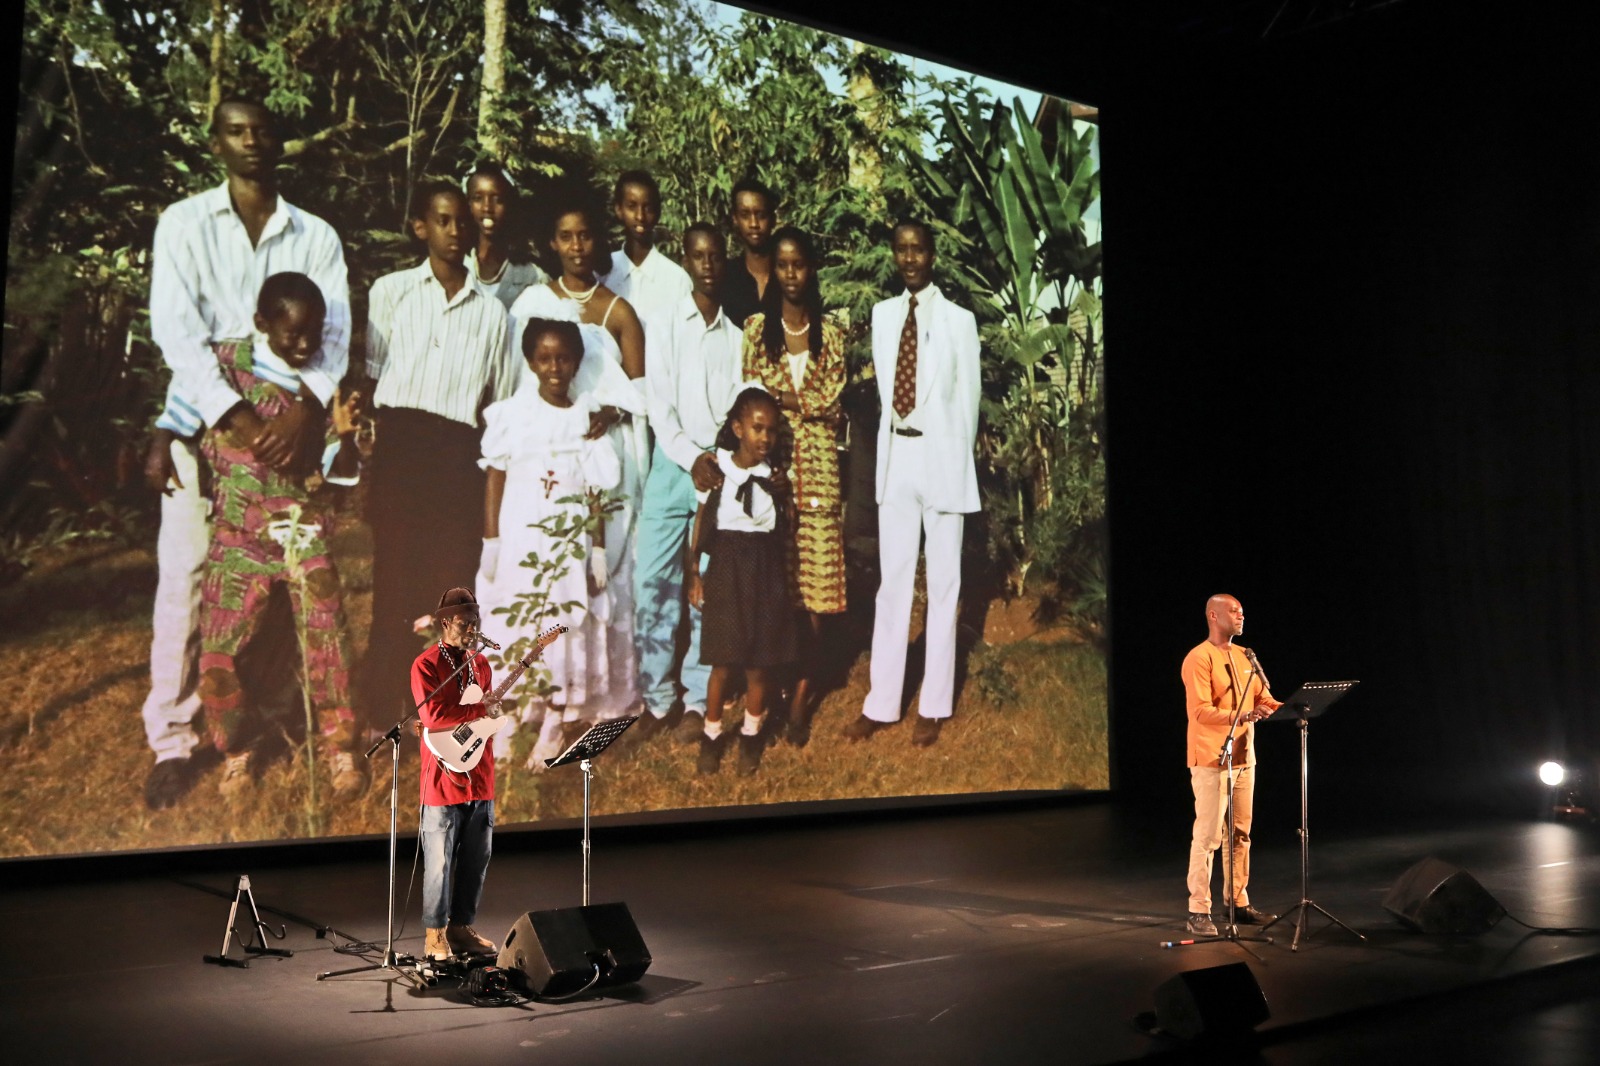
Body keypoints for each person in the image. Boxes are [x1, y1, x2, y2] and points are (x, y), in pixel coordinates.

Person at [142, 96, 350, 809]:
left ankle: (270, 718)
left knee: (292, 588)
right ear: (216, 142)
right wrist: (228, 414)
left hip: (291, 433)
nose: (251, 141)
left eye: (262, 129)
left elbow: (334, 332)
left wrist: (306, 410)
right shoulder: (184, 223)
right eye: (236, 130)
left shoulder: (314, 234)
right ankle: (174, 741)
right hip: (208, 419)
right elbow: (176, 331)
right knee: (188, 579)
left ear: (279, 140)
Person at [197, 273, 365, 797]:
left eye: (314, 332)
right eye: (293, 333)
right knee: (222, 648)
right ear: (261, 324)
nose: (305, 343)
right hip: (237, 533)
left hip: (300, 530)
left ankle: (341, 747)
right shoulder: (224, 366)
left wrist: (344, 438)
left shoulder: (321, 383)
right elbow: (184, 407)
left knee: (328, 632)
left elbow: (338, 475)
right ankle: (236, 750)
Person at [364, 182, 519, 722]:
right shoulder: (391, 292)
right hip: (401, 444)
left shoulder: (493, 313)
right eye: (443, 221)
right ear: (420, 227)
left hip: (457, 450)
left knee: (451, 576)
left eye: (462, 222)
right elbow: (373, 375)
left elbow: (499, 397)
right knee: (394, 575)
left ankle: (444, 700)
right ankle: (383, 702)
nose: (455, 232)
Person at [509, 200, 648, 720]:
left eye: (585, 235)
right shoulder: (531, 302)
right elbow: (518, 381)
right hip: (547, 455)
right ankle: (542, 693)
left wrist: (611, 412)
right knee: (547, 567)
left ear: (598, 241)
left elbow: (640, 395)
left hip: (603, 457)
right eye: (566, 236)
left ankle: (602, 694)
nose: (576, 246)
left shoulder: (620, 312)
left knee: (602, 573)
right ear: (553, 242)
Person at [850, 221, 981, 749]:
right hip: (897, 457)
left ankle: (933, 703)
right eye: (901, 250)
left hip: (941, 456)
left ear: (932, 255)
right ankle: (881, 701)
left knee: (944, 583)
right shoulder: (884, 316)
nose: (909, 259)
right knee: (893, 583)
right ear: (894, 254)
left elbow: (968, 404)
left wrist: (954, 461)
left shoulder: (959, 321)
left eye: (918, 250)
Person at [477, 318, 624, 766]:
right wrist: (492, 540)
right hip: (520, 539)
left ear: (576, 362)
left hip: (566, 544)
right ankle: (509, 715)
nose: (554, 368)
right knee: (514, 623)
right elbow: (495, 477)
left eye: (563, 358)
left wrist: (598, 550)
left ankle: (555, 721)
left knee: (561, 624)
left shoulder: (587, 418)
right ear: (530, 362)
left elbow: (595, 491)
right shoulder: (512, 415)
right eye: (544, 359)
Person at [632, 223, 747, 745]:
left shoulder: (735, 337)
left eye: (716, 256)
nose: (708, 265)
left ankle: (699, 698)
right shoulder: (662, 325)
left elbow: (733, 412)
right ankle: (657, 698)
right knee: (653, 582)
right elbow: (659, 406)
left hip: (714, 472)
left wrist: (714, 459)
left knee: (707, 588)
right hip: (672, 466)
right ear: (686, 260)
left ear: (724, 261)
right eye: (698, 256)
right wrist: (690, 456)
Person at [741, 226, 846, 743]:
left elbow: (831, 400)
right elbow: (752, 395)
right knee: (779, 590)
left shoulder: (835, 333)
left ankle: (804, 693)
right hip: (775, 474)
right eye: (782, 265)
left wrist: (784, 401)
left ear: (811, 268)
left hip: (820, 476)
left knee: (819, 596)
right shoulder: (756, 330)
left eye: (799, 264)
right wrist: (803, 407)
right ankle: (777, 684)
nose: (790, 273)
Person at [688, 388, 797, 775]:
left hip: (765, 572)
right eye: (757, 428)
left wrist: (786, 497)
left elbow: (786, 528)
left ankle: (751, 735)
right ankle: (712, 735)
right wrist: (695, 573)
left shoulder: (775, 478)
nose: (765, 437)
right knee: (722, 663)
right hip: (727, 569)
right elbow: (701, 524)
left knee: (758, 666)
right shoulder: (718, 470)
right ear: (737, 428)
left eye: (772, 430)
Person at [1181, 594, 1281, 937]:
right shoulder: (1199, 657)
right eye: (1234, 611)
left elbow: (1264, 698)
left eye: (1242, 611)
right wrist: (1242, 715)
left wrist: (1293, 707)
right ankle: (1198, 910)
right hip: (1212, 758)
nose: (1241, 616)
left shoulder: (1245, 656)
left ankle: (1237, 902)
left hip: (1244, 758)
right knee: (1209, 836)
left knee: (1240, 835)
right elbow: (1200, 711)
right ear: (1213, 615)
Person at [413, 587, 501, 962]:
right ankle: (435, 935)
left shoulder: (482, 664)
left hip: (480, 775)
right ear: (446, 622)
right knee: (439, 864)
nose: (472, 629)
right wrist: (480, 709)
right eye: (465, 623)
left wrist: (491, 716)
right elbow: (433, 716)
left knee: (476, 862)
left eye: (475, 622)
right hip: (443, 780)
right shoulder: (427, 665)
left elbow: (485, 714)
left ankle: (461, 928)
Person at [599, 170, 692, 322]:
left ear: (658, 213)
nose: (640, 216)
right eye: (631, 206)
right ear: (619, 210)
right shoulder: (603, 272)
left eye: (648, 208)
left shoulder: (677, 281)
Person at [464, 162, 548, 310]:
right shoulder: (457, 266)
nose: (487, 207)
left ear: (510, 206)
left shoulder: (532, 277)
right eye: (478, 198)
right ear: (468, 205)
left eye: (498, 199)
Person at [721, 178, 777, 329]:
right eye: (745, 215)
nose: (754, 224)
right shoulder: (725, 278)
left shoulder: (789, 275)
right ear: (735, 219)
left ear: (773, 219)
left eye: (761, 215)